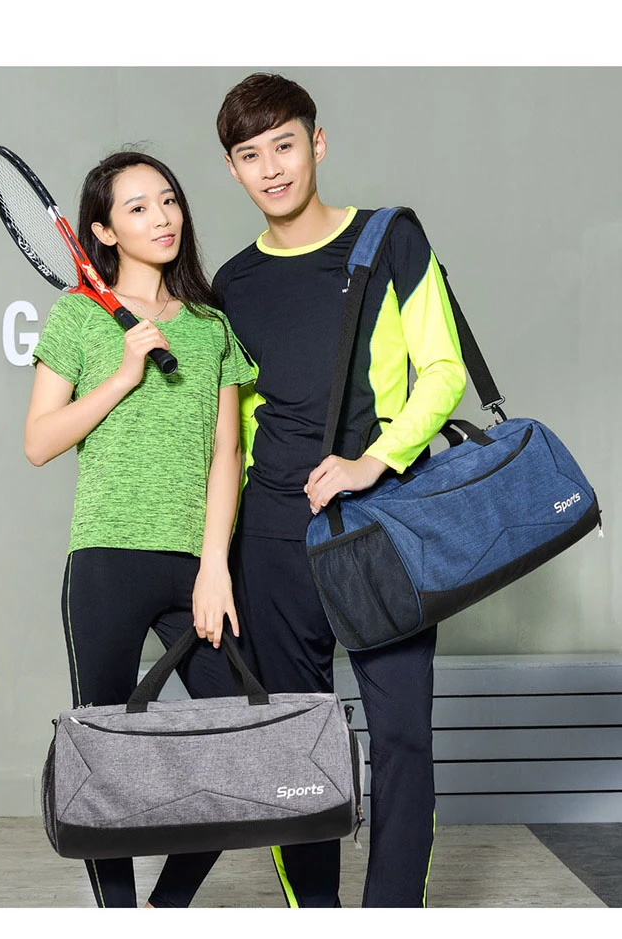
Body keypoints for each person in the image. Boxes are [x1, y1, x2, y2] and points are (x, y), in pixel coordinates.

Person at [212, 73, 467, 908]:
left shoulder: (390, 238)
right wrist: (217, 556)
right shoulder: (233, 283)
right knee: (296, 740)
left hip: (380, 525)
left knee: (401, 737)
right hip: (273, 537)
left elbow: (444, 369)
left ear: (316, 143)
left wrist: (375, 460)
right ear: (233, 169)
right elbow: (232, 430)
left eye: (285, 145)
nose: (272, 168)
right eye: (251, 155)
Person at [26, 149, 256, 908]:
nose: (161, 218)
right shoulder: (78, 317)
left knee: (243, 745)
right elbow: (39, 441)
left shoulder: (211, 327)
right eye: (137, 207)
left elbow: (227, 454)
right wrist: (123, 374)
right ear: (102, 231)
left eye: (168, 200)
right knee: (104, 760)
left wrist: (214, 564)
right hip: (104, 564)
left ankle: (163, 911)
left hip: (194, 568)